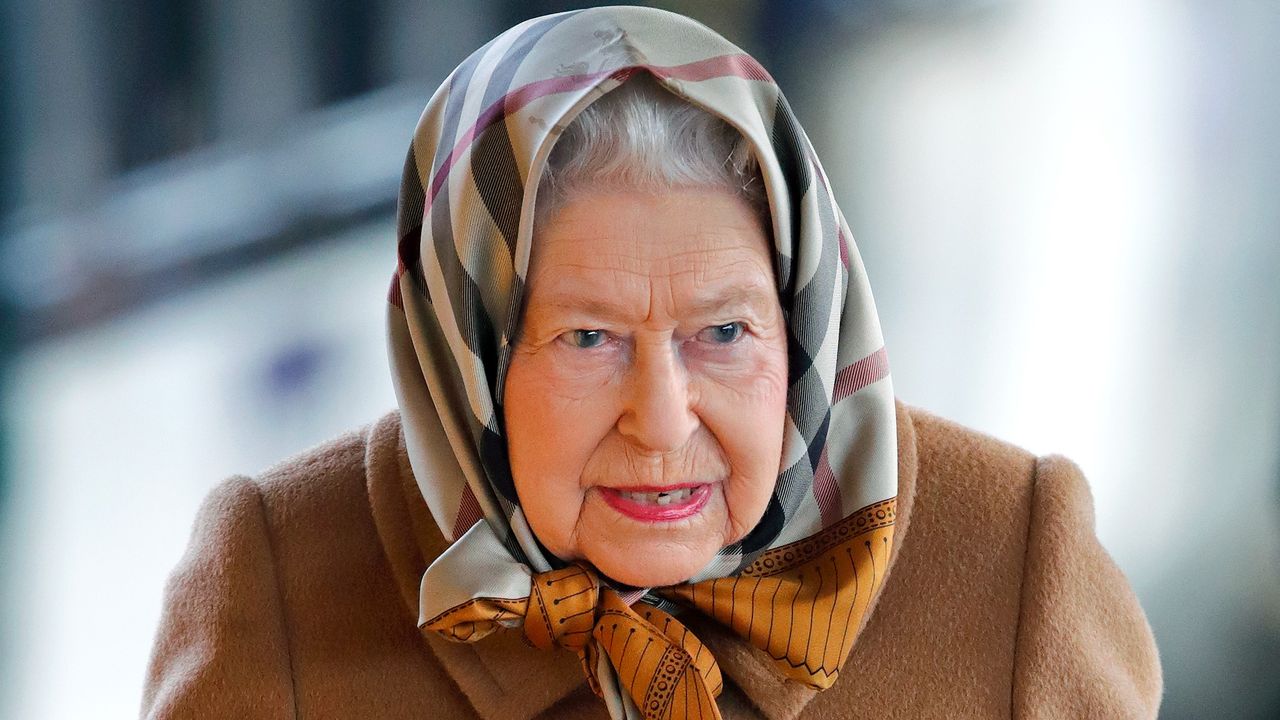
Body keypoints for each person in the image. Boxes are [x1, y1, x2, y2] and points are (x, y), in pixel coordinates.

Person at [141, 7, 1162, 719]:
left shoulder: (1010, 556)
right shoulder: (281, 574)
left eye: (721, 333)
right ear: (467, 354)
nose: (663, 419)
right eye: (588, 339)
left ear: (802, 321)